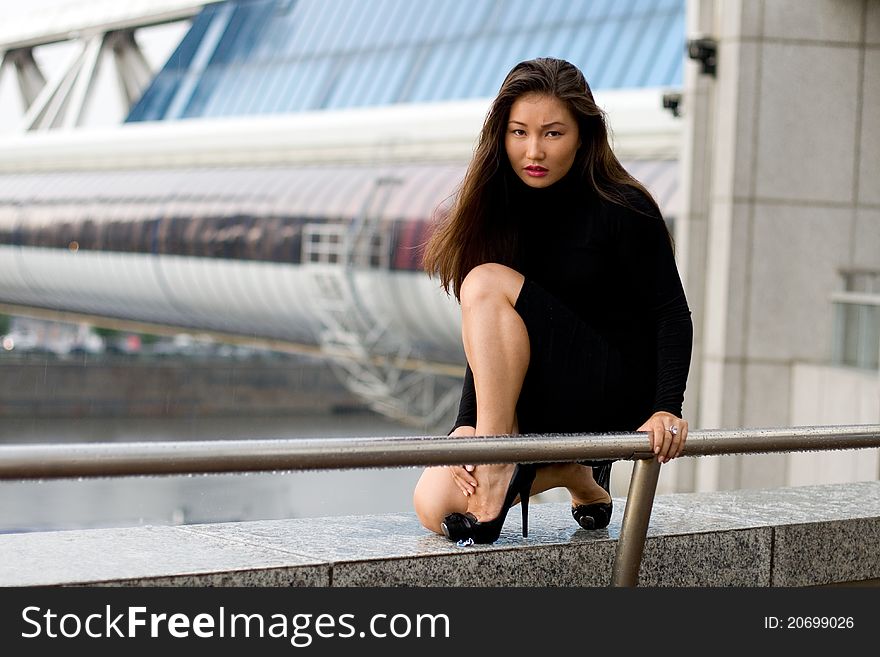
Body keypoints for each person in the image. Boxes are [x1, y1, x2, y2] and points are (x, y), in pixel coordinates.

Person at [412, 58, 693, 544]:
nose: (534, 150)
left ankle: (499, 459)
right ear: (500, 135)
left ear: (583, 134)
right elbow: (488, 331)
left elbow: (671, 313)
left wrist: (667, 407)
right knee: (432, 504)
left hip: (612, 386)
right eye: (519, 132)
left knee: (482, 281)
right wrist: (465, 424)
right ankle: (572, 473)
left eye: (553, 133)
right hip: (542, 384)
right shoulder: (501, 208)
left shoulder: (623, 205)